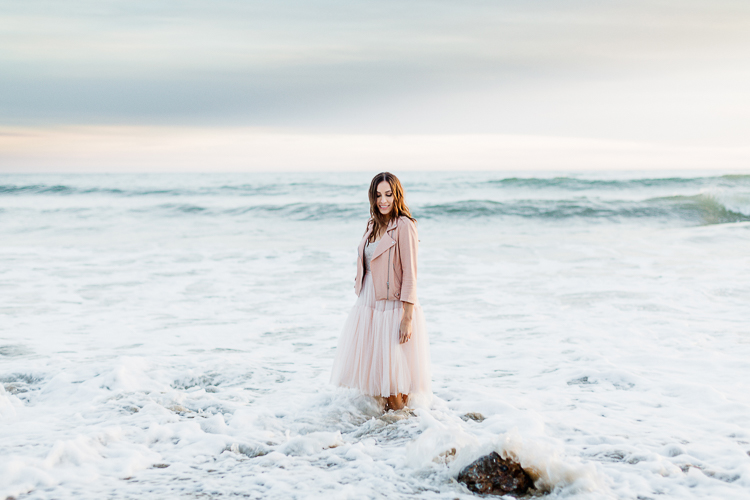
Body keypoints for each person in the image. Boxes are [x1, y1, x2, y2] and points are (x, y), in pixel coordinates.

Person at [330, 172, 431, 411]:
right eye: (378, 195)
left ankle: (404, 428)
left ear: (397, 195)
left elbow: (410, 273)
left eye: (388, 194)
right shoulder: (372, 224)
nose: (383, 201)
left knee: (393, 381)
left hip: (392, 307)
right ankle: (389, 434)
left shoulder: (405, 226)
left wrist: (407, 318)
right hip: (368, 305)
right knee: (377, 380)